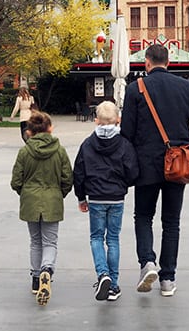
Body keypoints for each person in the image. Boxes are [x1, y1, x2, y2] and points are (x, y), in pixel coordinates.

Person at [121, 44, 189, 297]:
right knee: (171, 222)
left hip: (145, 164)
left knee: (143, 216)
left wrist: (130, 161)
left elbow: (127, 131)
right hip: (177, 164)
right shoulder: (186, 87)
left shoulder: (135, 89)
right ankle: (167, 279)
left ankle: (147, 262)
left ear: (146, 63)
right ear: (168, 62)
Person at [73, 101, 139, 302]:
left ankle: (103, 274)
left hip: (95, 197)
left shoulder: (87, 144)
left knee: (96, 238)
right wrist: (123, 185)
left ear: (96, 121)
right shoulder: (124, 144)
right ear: (118, 120)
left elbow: (79, 172)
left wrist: (81, 197)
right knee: (113, 239)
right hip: (116, 197)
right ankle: (114, 285)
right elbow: (133, 171)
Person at [10, 110, 73, 306]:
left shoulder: (24, 151)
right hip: (52, 199)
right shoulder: (60, 150)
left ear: (29, 131)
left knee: (35, 241)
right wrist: (59, 193)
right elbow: (67, 179)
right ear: (50, 128)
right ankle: (47, 269)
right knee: (50, 242)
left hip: (30, 199)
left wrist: (26, 192)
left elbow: (16, 180)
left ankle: (36, 279)